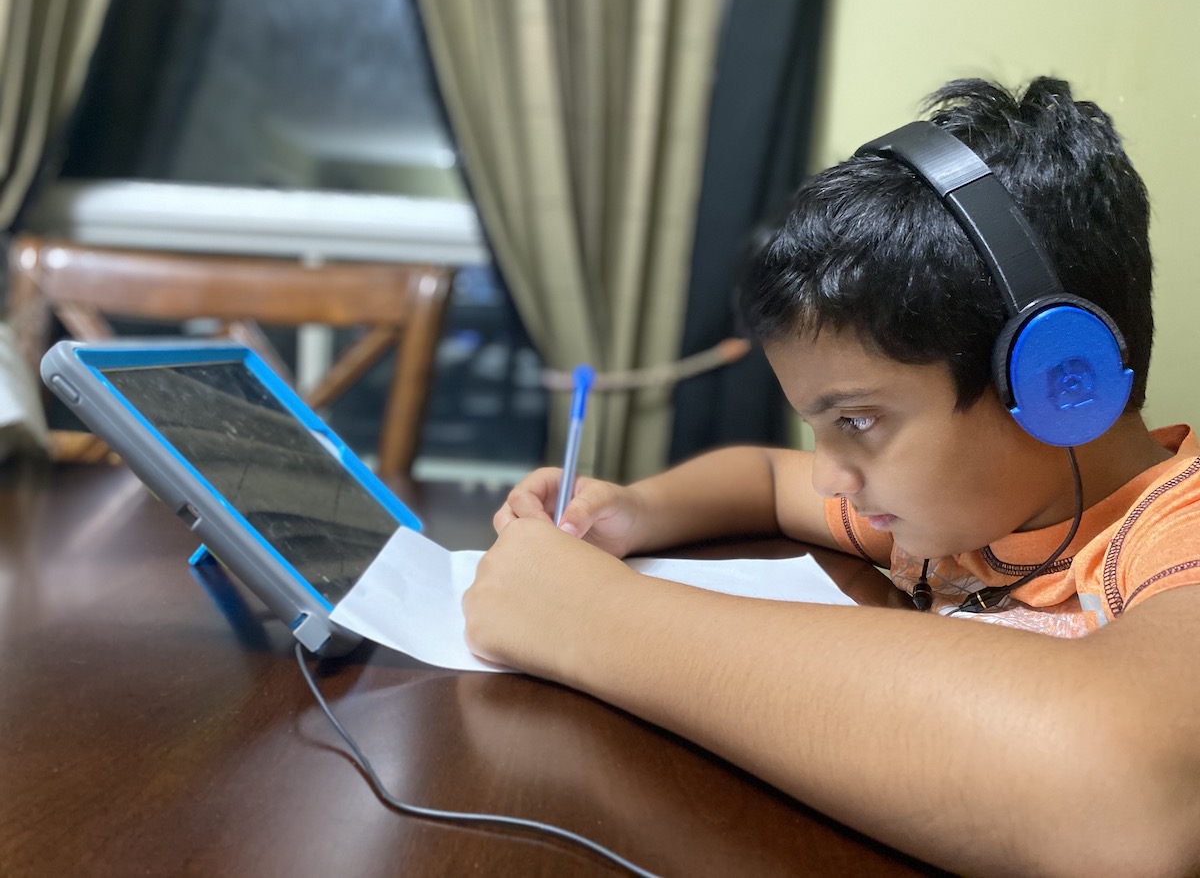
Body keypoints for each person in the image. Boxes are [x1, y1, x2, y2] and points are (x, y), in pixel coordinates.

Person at [463, 77, 1200, 876]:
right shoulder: (967, 519)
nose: (827, 479)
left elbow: (1130, 795)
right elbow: (761, 478)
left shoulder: (1175, 529)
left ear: (1058, 379)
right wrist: (636, 510)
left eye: (854, 421)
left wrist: (591, 619)